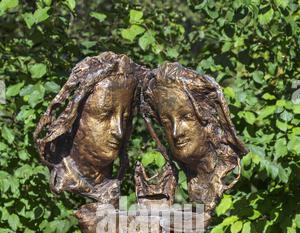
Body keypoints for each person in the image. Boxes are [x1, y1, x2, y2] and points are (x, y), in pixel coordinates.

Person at [140, 62, 247, 216]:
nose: (176, 132)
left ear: (208, 118)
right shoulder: (188, 180)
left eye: (186, 117)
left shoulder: (230, 175)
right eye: (166, 122)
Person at [34, 52, 142, 203]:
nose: (118, 131)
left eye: (125, 119)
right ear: (75, 115)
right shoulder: (65, 178)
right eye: (105, 115)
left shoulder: (113, 184)